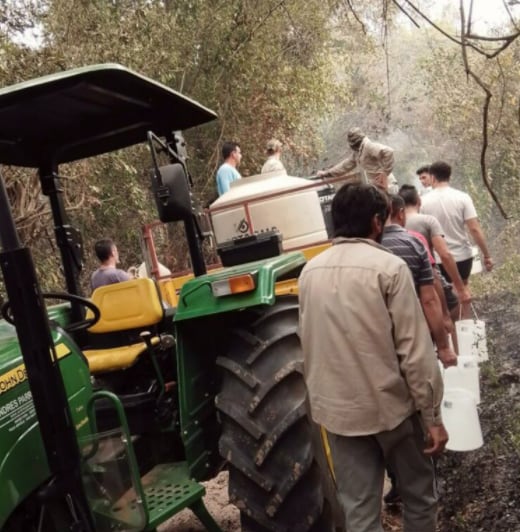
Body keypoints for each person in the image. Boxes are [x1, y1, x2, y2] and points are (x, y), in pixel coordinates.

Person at [299, 183, 447, 532]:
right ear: (377, 222)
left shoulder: (309, 274)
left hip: (341, 416)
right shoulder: (389, 269)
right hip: (394, 411)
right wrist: (433, 416)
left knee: (360, 512)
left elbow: (309, 344)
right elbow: (415, 352)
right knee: (420, 498)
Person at [382, 195, 457, 368]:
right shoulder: (413, 241)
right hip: (415, 328)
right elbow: (430, 296)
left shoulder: (366, 249)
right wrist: (443, 345)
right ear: (401, 214)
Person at [400, 184, 471, 316]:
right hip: (430, 279)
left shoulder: (395, 225)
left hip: (405, 285)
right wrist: (461, 288)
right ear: (418, 201)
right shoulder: (428, 221)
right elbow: (444, 254)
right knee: (453, 312)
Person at [420, 161, 493, 284]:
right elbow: (474, 229)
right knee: (463, 288)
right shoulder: (463, 197)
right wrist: (486, 255)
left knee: (447, 295)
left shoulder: (423, 202)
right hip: (463, 256)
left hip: (439, 258)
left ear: (432, 177)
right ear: (449, 177)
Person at [316, 127, 398, 193]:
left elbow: (388, 151)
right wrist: (326, 173)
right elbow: (344, 166)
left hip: (387, 186)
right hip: (377, 188)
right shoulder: (357, 153)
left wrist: (385, 173)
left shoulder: (368, 146)